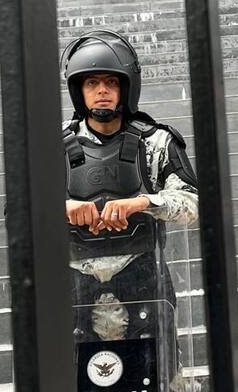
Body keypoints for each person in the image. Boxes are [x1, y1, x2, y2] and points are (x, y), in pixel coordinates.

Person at [60, 30, 198, 391]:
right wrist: (64, 208)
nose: (102, 90)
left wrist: (143, 203)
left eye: (110, 81)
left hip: (143, 284)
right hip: (75, 288)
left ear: (126, 87)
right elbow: (19, 214)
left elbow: (194, 202)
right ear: (79, 90)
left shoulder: (156, 141)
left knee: (156, 380)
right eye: (92, 82)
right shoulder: (52, 145)